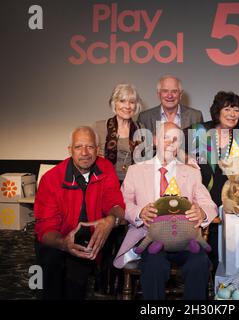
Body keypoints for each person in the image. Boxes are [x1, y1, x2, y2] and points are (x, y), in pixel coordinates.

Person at [114, 122, 218, 300]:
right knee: (154, 265)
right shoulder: (135, 171)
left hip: (185, 238)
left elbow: (209, 205)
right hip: (148, 238)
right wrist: (140, 213)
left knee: (199, 262)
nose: (170, 143)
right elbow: (123, 204)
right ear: (155, 140)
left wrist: (202, 213)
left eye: (175, 139)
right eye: (165, 137)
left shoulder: (191, 173)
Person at [34, 126, 126, 300]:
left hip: (86, 242)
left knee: (75, 289)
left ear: (97, 149)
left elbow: (115, 203)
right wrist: (63, 244)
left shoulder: (105, 168)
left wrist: (111, 219)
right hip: (57, 240)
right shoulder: (51, 178)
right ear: (70, 150)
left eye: (90, 147)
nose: (85, 152)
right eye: (78, 147)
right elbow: (46, 227)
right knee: (49, 278)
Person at [184, 91, 239, 275]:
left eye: (236, 109)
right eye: (227, 109)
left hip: (228, 200)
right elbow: (172, 143)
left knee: (225, 249)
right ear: (217, 111)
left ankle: (220, 282)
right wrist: (185, 157)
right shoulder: (200, 131)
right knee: (201, 251)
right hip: (201, 199)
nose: (232, 114)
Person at [93, 84, 144, 295]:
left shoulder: (141, 130)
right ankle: (103, 284)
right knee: (106, 236)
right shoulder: (100, 127)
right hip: (105, 188)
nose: (127, 106)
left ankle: (124, 284)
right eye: (122, 101)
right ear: (114, 103)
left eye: (131, 101)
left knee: (127, 237)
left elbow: (144, 162)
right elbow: (92, 160)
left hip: (131, 189)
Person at [137, 75, 203, 135]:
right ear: (158, 94)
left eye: (174, 91)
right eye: (165, 91)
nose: (170, 96)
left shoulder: (195, 116)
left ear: (180, 94)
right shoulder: (144, 118)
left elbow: (201, 146)